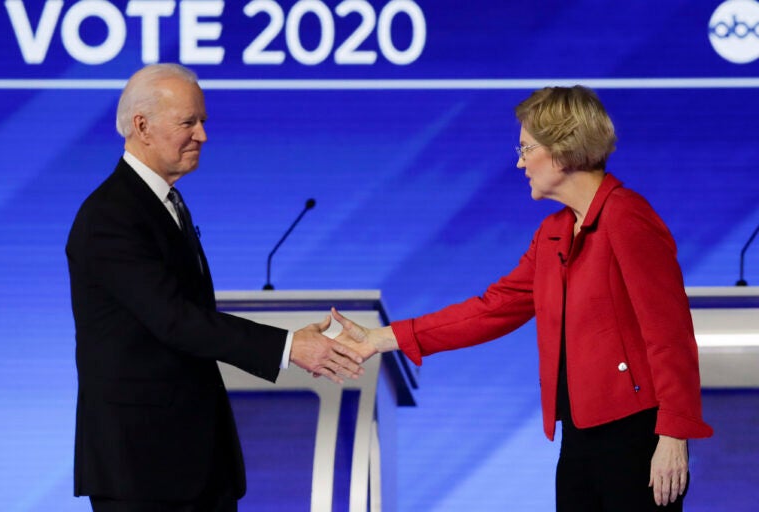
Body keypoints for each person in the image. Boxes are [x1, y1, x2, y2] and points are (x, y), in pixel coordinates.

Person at [332, 85, 713, 511]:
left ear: (563, 149)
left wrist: (674, 434)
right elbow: (492, 308)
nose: (519, 162)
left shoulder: (626, 217)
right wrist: (383, 338)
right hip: (578, 437)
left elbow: (670, 333)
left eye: (526, 147)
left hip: (636, 436)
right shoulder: (552, 233)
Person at [66, 63, 364, 512]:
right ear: (142, 126)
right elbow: (174, 319)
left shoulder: (164, 203)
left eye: (203, 121)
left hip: (194, 465)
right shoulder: (111, 216)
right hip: (143, 470)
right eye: (189, 122)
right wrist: (288, 347)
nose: (202, 135)